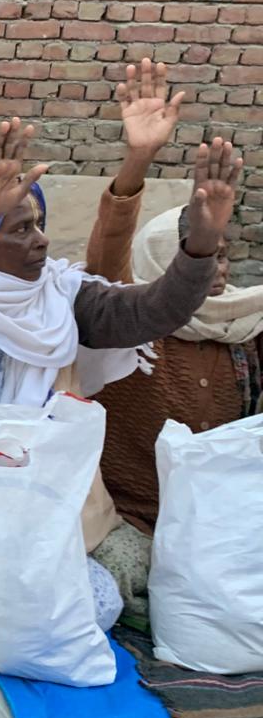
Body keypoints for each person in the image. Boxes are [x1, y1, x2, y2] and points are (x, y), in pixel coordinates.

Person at [0, 115, 236, 630]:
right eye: (19, 229)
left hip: (13, 493)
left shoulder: (58, 296)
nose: (40, 241)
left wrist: (201, 247)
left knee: (97, 603)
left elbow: (151, 312)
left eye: (39, 224)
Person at [85, 61, 253, 542]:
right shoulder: (132, 318)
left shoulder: (246, 321)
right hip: (130, 518)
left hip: (221, 520)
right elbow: (106, 257)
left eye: (220, 255)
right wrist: (138, 159)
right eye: (196, 255)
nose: (214, 269)